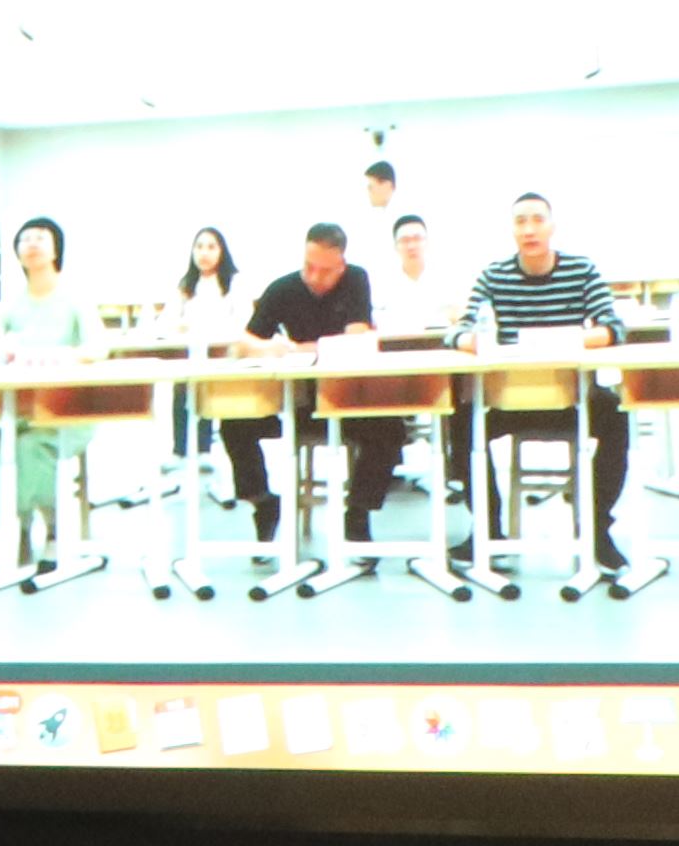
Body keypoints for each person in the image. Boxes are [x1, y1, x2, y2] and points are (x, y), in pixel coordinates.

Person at [447, 188, 637, 573]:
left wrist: (559, 342)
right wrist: (474, 341)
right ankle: (487, 528)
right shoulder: (494, 275)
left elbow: (614, 328)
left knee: (618, 415)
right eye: (521, 222)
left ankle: (597, 529)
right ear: (512, 230)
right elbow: (458, 331)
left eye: (537, 220)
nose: (529, 229)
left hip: (571, 398)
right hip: (507, 399)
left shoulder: (581, 270)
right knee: (459, 419)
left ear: (552, 227)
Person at [223, 223, 407, 545]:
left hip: (347, 399)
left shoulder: (356, 279)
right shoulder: (283, 288)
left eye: (325, 270)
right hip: (298, 402)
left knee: (391, 429)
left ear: (342, 264)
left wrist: (302, 349)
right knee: (234, 423)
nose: (314, 277)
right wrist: (268, 348)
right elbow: (244, 342)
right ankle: (263, 502)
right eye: (309, 266)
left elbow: (356, 337)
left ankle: (358, 512)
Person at [0, 219, 90, 594]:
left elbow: (98, 348)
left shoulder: (74, 300)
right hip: (22, 414)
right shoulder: (12, 304)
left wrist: (62, 357)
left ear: (56, 249)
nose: (31, 243)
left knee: (31, 451)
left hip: (67, 415)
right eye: (25, 239)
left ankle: (54, 537)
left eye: (40, 238)